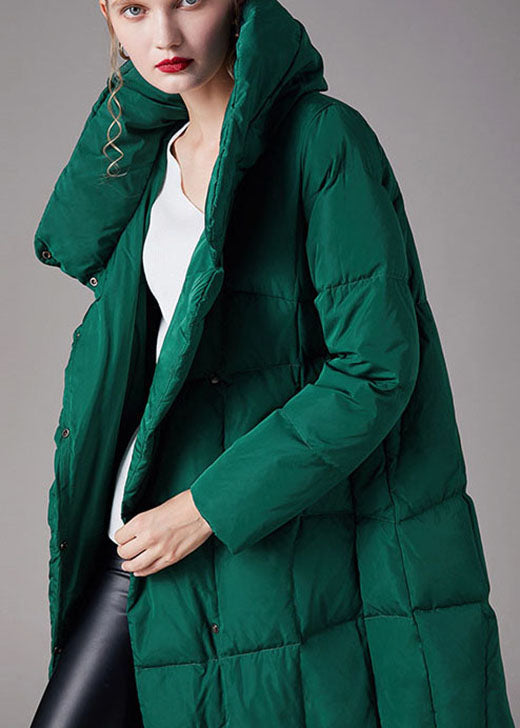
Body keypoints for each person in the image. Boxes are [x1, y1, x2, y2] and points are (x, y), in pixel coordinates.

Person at [29, 0, 515, 726]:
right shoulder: (147, 162)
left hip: (249, 534)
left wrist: (203, 509)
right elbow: (73, 246)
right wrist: (132, 110)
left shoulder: (322, 139)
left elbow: (373, 369)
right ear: (107, 15)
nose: (164, 34)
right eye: (134, 8)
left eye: (189, 0)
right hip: (136, 529)